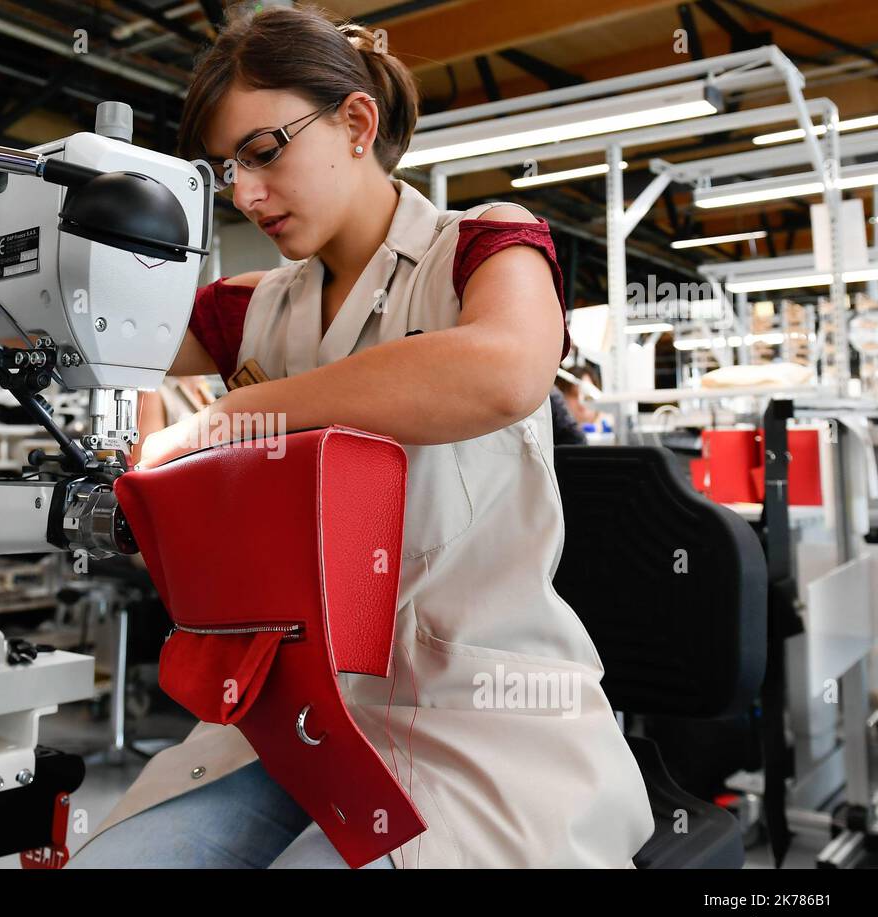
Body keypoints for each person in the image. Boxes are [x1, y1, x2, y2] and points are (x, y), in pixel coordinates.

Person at [67, 5, 653, 869]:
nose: (244, 193)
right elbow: (87, 325)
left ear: (355, 122)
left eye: (263, 154)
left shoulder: (485, 248)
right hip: (292, 717)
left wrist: (225, 417)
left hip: (474, 718)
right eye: (227, 169)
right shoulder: (253, 307)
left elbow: (501, 371)